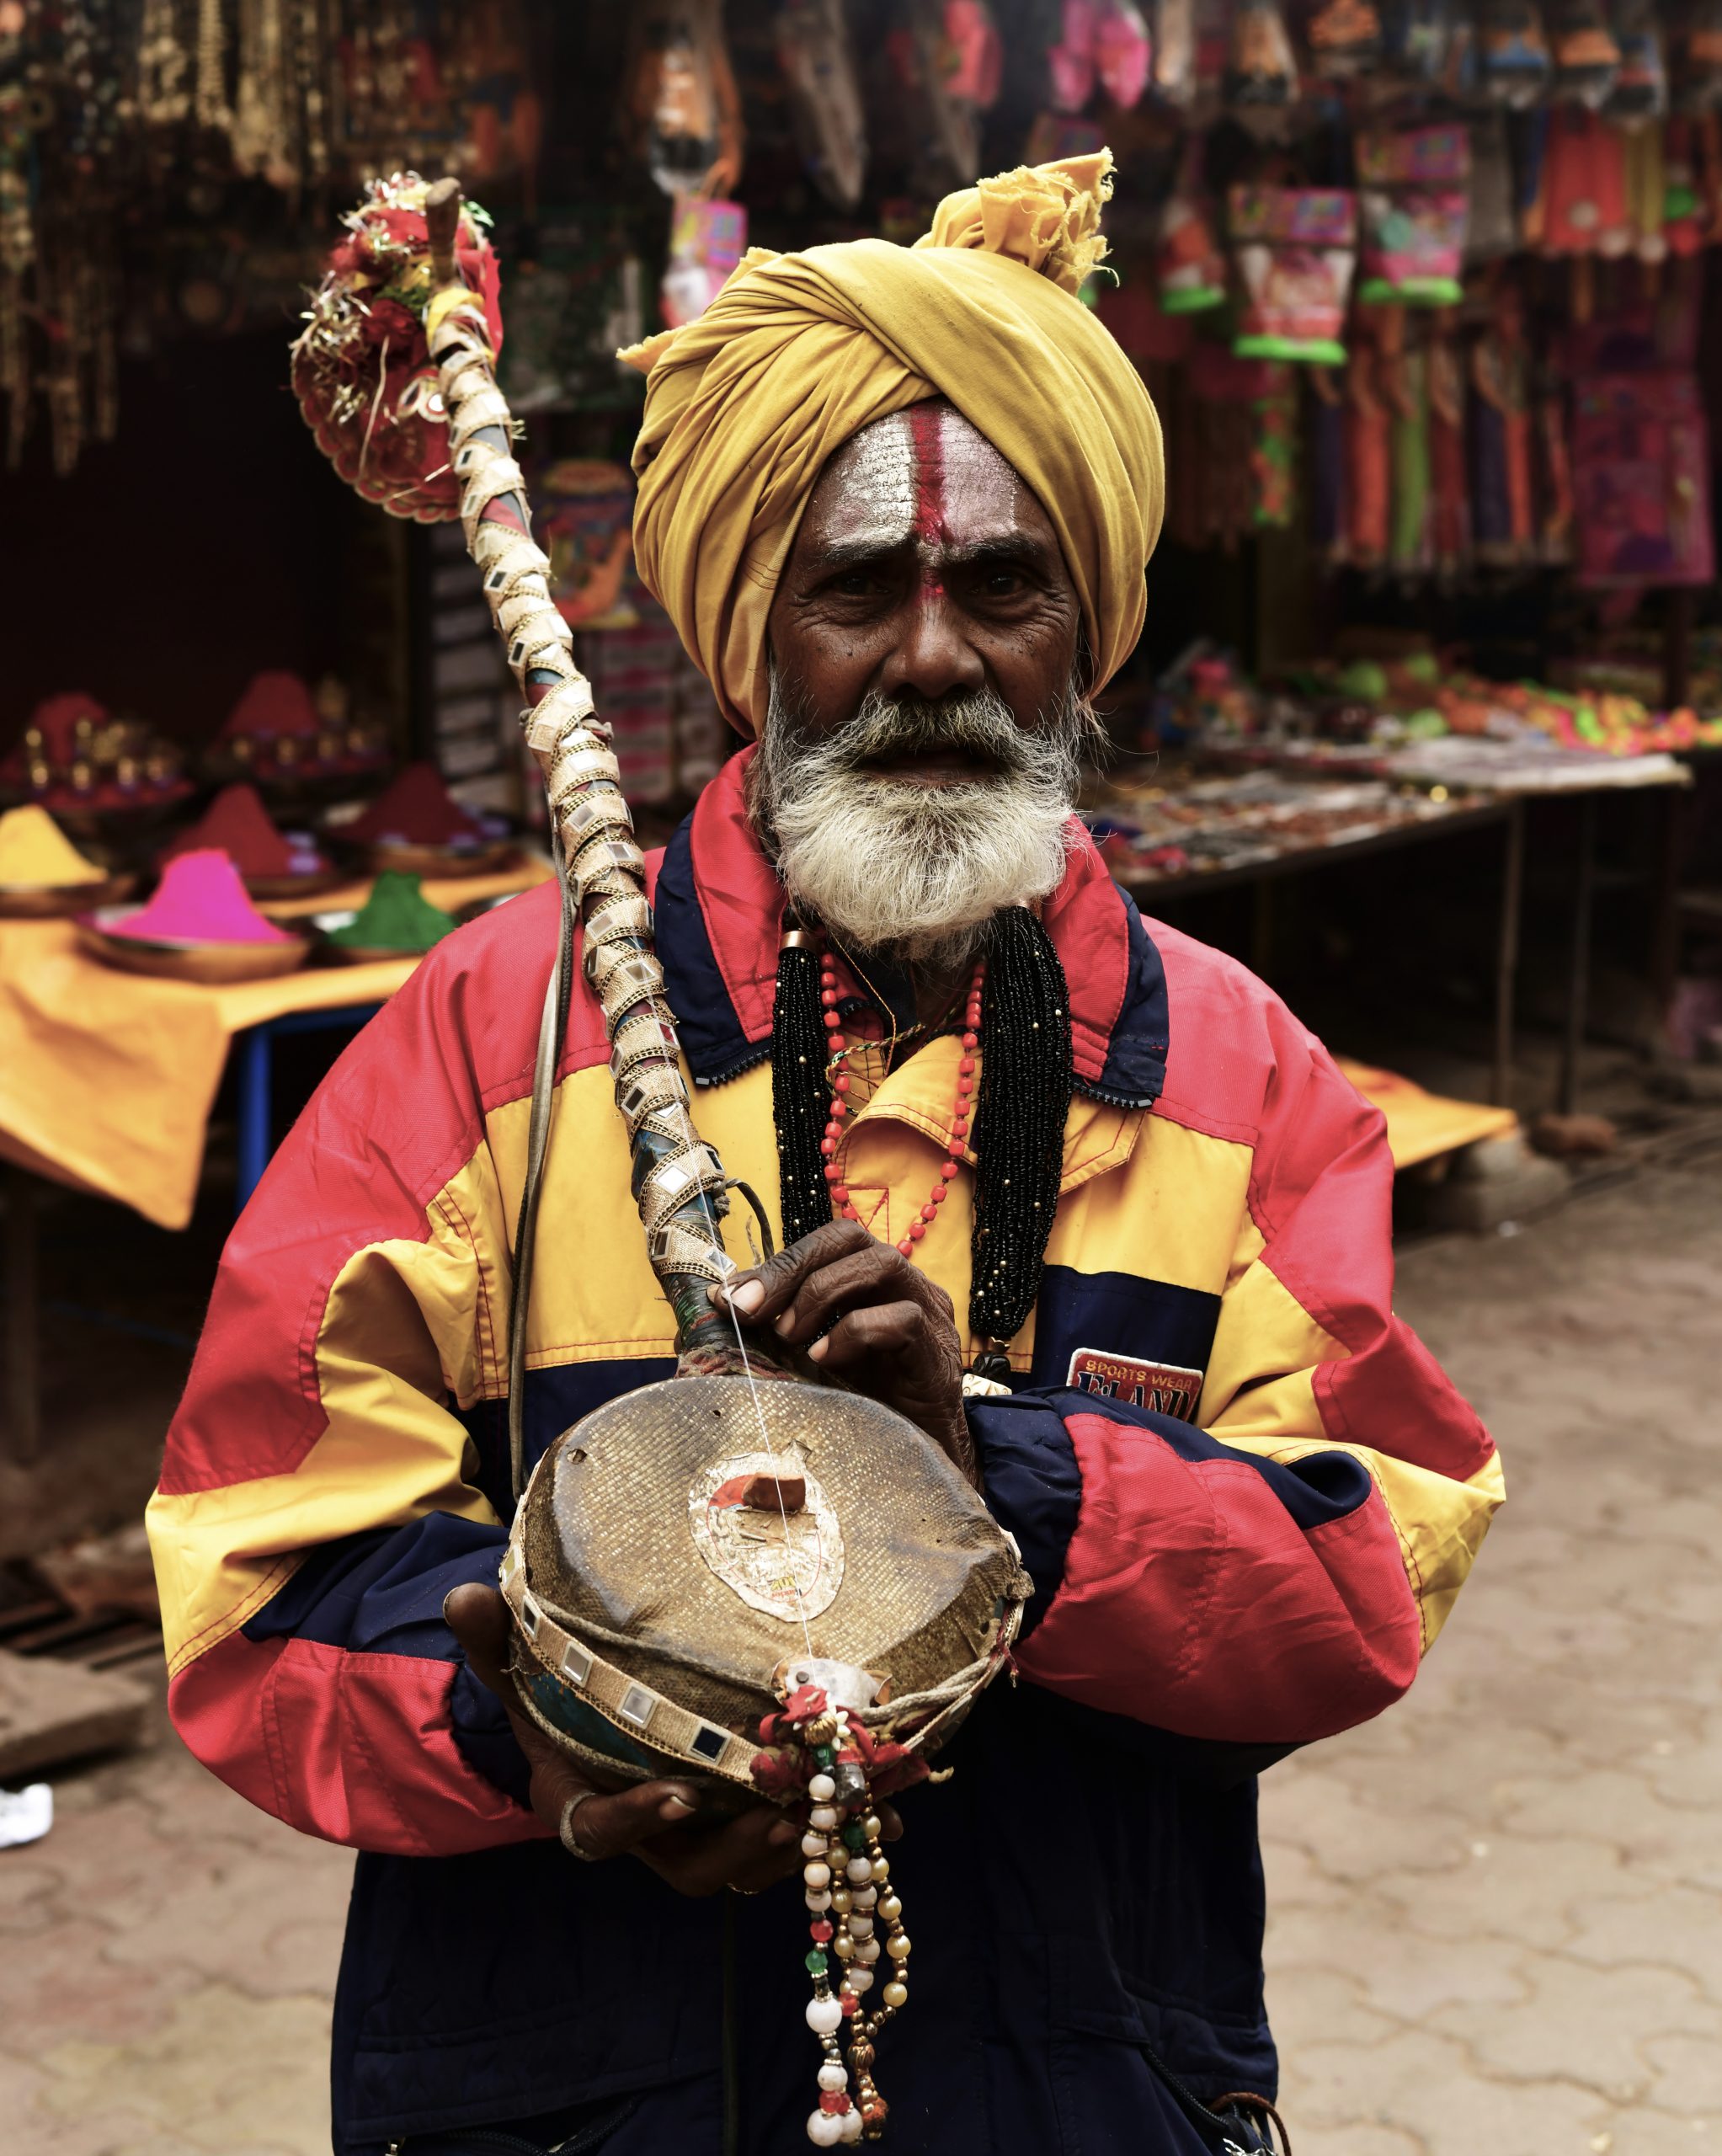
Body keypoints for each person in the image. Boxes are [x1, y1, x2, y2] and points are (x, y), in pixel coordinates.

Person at [147, 156, 1502, 2156]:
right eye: (858, 587)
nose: (935, 658)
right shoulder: (493, 1034)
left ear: (1090, 627)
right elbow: (251, 1571)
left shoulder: (1235, 1069)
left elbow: (1374, 1559)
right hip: (569, 2083)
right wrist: (548, 1726)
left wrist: (998, 1473)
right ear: (747, 633)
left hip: (1078, 2083)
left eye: (1005, 587)